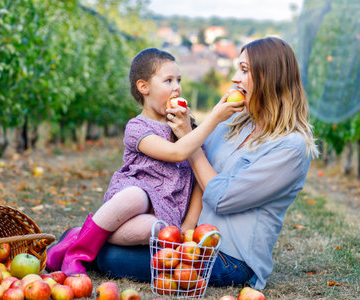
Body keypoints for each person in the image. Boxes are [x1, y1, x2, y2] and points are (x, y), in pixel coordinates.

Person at [88, 37, 319, 290]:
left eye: (243, 70)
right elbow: (193, 169)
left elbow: (221, 197)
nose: (234, 78)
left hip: (229, 257)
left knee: (110, 256)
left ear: (268, 77)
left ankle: (79, 240)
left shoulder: (290, 147)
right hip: (188, 239)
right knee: (112, 240)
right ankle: (82, 239)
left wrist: (188, 138)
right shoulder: (233, 124)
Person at [46, 48, 244, 276]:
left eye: (178, 80)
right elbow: (177, 153)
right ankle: (78, 252)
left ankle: (79, 234)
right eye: (168, 80)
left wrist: (188, 224)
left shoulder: (186, 126)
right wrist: (215, 118)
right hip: (133, 198)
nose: (176, 87)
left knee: (155, 231)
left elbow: (199, 178)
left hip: (164, 213)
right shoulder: (137, 128)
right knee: (136, 196)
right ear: (144, 87)